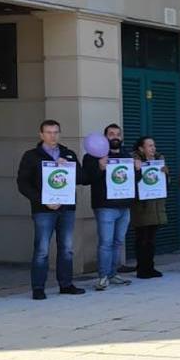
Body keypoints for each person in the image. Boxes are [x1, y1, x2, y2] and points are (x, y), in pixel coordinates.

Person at [16, 120, 86, 299]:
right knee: (42, 249)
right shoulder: (31, 156)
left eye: (55, 132)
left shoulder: (68, 154)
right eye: (48, 132)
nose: (52, 136)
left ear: (59, 133)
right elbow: (23, 183)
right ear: (41, 135)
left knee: (67, 248)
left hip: (67, 207)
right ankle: (38, 288)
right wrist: (42, 200)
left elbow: (82, 178)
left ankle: (66, 284)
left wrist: (69, 167)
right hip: (43, 209)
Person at [80, 123, 135, 291]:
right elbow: (86, 179)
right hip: (105, 206)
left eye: (118, 134)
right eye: (111, 134)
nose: (115, 136)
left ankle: (113, 274)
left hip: (124, 206)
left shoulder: (127, 155)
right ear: (105, 138)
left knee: (118, 242)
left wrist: (138, 170)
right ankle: (103, 276)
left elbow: (134, 180)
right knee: (106, 242)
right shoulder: (92, 156)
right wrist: (100, 168)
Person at [130, 136, 167, 279]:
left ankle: (150, 267)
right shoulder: (133, 161)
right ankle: (142, 268)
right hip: (141, 206)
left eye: (154, 145)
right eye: (150, 146)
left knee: (151, 239)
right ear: (141, 148)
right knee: (142, 238)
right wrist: (137, 169)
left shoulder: (159, 160)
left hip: (156, 204)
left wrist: (165, 173)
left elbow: (165, 184)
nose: (153, 148)